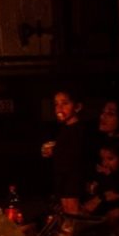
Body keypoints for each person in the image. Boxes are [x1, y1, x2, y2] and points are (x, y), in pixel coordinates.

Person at [42, 87, 93, 215]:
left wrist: (56, 151)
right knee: (66, 218)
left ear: (77, 107)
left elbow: (76, 157)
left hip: (73, 183)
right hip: (62, 181)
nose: (59, 108)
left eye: (65, 103)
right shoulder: (64, 129)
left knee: (74, 218)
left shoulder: (79, 130)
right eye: (56, 104)